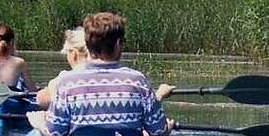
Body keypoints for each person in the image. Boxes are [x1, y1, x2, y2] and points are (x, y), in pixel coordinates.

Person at [29, 12, 174, 136]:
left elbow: (55, 133)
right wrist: (167, 126)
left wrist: (39, 123)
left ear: (87, 43)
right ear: (118, 44)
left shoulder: (68, 82)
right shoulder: (138, 81)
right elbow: (158, 133)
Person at [35, 27, 175, 108]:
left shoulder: (64, 80)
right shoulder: (135, 78)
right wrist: (159, 95)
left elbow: (41, 100)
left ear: (74, 53)